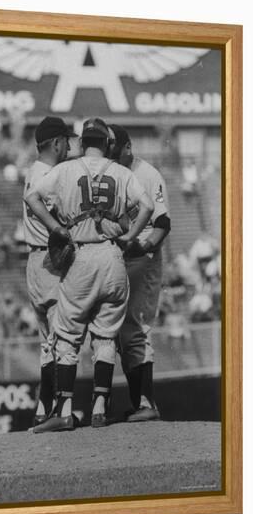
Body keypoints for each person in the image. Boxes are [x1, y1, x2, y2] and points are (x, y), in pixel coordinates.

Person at [26, 118, 153, 432]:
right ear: (108, 143)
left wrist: (56, 228)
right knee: (106, 334)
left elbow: (32, 198)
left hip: (82, 253)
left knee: (68, 334)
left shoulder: (67, 169)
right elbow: (147, 205)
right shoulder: (122, 172)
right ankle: (100, 405)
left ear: (82, 142)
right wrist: (130, 236)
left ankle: (65, 409)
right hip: (113, 256)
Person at [109, 124, 171, 422]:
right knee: (123, 333)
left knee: (137, 327)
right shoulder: (114, 173)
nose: (110, 155)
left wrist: (142, 246)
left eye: (114, 150)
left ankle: (147, 403)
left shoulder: (147, 174)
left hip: (144, 257)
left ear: (127, 147)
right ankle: (140, 403)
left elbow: (163, 224)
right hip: (125, 256)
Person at [23, 116, 77, 426]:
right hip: (51, 260)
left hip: (34, 259)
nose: (69, 145)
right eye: (66, 140)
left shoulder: (33, 171)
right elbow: (62, 215)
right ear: (56, 143)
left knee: (48, 339)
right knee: (62, 335)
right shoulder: (51, 175)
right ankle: (60, 411)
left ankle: (44, 409)